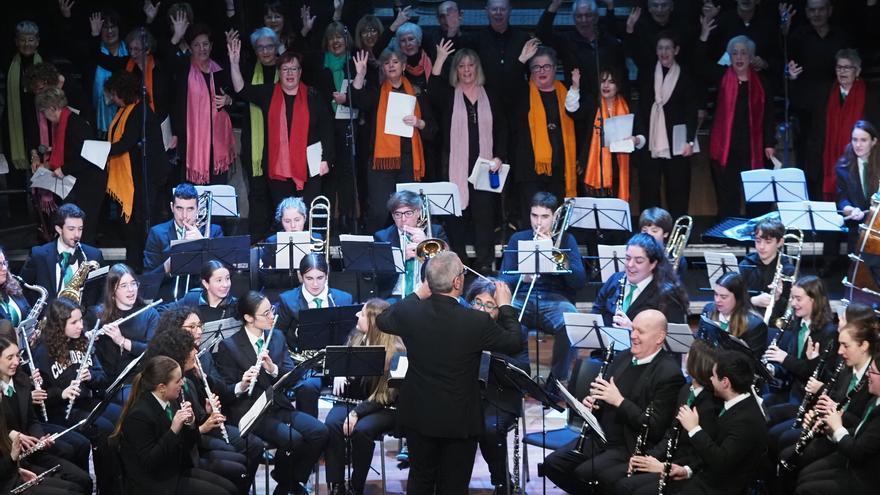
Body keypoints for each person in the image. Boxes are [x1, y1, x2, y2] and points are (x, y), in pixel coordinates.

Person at [375, 250, 522, 493]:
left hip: (418, 413)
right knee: (453, 484)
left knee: (420, 478)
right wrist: (505, 306)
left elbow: (383, 319)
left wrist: (419, 293)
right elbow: (514, 343)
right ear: (457, 282)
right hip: (459, 418)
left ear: (429, 283)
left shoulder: (411, 312)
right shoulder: (476, 321)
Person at [542, 309, 685, 492]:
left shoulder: (669, 374)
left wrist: (618, 401)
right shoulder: (624, 357)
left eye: (640, 332)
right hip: (601, 436)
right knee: (553, 464)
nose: (633, 335)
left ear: (659, 337)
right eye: (633, 329)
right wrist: (593, 404)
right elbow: (604, 397)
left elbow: (654, 428)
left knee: (585, 473)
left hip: (628, 445)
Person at [213, 291, 328, 495]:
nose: (271, 316)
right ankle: (288, 484)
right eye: (265, 313)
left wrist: (273, 369)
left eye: (271, 310)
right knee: (293, 439)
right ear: (248, 318)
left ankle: (287, 481)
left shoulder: (276, 336)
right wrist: (242, 384)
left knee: (319, 432)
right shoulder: (229, 346)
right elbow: (226, 392)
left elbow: (292, 377)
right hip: (252, 412)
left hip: (278, 405)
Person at [228, 34, 334, 209]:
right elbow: (241, 89)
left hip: (310, 165)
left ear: (300, 72)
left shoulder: (312, 95)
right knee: (284, 214)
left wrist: (326, 159)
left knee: (306, 214)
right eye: (285, 69)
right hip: (279, 168)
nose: (290, 73)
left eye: (294, 69)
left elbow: (327, 129)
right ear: (279, 72)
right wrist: (233, 64)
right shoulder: (269, 93)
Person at [142, 324, 250, 494]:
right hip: (173, 467)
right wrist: (202, 427)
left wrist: (206, 413)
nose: (195, 353)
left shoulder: (187, 382)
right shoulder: (165, 394)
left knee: (239, 466)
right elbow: (167, 445)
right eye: (191, 351)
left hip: (187, 450)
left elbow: (193, 420)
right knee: (230, 477)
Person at [428, 43, 506, 273]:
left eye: (471, 65)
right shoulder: (448, 94)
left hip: (486, 165)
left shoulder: (490, 93)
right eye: (461, 66)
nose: (466, 70)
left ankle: (484, 264)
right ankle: (458, 263)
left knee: (484, 215)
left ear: (477, 68)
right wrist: (440, 58)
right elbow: (431, 90)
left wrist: (499, 156)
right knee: (457, 216)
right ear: (456, 70)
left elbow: (502, 127)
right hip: (455, 165)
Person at [776, 312, 877, 486]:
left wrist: (836, 414)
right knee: (781, 443)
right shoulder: (846, 369)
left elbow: (864, 423)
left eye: (845, 345)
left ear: (863, 346)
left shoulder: (874, 379)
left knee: (794, 463)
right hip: (829, 432)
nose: (839, 351)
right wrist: (815, 416)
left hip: (845, 440)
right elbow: (831, 401)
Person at [112, 355, 236, 495]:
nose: (182, 383)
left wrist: (190, 424)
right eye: (177, 381)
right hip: (155, 483)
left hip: (173, 470)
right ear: (162, 387)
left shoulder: (170, 400)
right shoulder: (139, 416)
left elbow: (186, 445)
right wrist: (173, 430)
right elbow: (150, 462)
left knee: (230, 488)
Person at [498, 192, 587, 387]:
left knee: (571, 323)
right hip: (523, 296)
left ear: (554, 217)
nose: (538, 222)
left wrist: (557, 262)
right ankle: (519, 379)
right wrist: (523, 275)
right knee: (508, 322)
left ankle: (555, 384)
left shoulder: (566, 240)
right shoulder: (518, 238)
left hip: (554, 300)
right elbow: (503, 279)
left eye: (545, 217)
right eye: (534, 216)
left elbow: (579, 281)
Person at [613, 339, 722, 495]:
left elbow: (701, 453)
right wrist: (648, 457)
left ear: (697, 364)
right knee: (621, 481)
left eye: (688, 354)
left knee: (626, 487)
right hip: (670, 459)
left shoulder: (710, 404)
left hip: (684, 469)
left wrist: (665, 466)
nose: (685, 356)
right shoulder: (686, 389)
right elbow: (670, 434)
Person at [351, 47, 437, 233]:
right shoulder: (376, 91)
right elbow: (358, 100)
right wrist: (360, 75)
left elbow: (432, 128)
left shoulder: (416, 92)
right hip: (381, 164)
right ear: (382, 67)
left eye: (395, 62)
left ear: (404, 66)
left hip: (408, 162)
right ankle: (376, 252)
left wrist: (418, 122)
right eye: (387, 62)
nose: (391, 66)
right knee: (379, 212)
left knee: (408, 213)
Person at [325, 298, 404, 495]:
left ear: (374, 321)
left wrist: (356, 414)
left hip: (384, 407)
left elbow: (386, 395)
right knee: (332, 424)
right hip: (352, 401)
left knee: (362, 430)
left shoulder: (397, 351)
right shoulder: (356, 337)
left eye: (361, 313)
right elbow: (339, 364)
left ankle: (355, 485)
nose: (356, 315)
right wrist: (339, 372)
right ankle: (336, 485)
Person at [0, 336, 92, 494]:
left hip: (32, 451)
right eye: (10, 357)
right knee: (72, 488)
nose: (16, 362)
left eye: (17, 356)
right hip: (11, 460)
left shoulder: (21, 381)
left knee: (84, 479)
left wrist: (40, 437)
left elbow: (31, 419)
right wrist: (13, 435)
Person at [700, 33, 775, 219]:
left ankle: (757, 236)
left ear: (751, 57)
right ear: (729, 56)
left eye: (743, 53)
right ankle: (728, 236)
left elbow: (769, 116)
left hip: (754, 149)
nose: (739, 57)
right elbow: (698, 63)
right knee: (727, 197)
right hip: (726, 148)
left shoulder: (762, 82)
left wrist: (770, 143)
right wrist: (704, 35)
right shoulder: (721, 78)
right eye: (735, 53)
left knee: (757, 198)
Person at [466, 277, 530, 493]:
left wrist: (490, 354)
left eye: (490, 305)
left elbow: (523, 371)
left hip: (501, 395)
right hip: (468, 393)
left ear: (500, 309)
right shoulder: (462, 325)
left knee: (489, 429)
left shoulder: (513, 332)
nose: (481, 310)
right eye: (477, 302)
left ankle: (502, 482)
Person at [537, 0, 627, 153]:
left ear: (596, 17)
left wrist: (611, 7)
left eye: (588, 15)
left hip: (609, 107)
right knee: (583, 157)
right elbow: (542, 34)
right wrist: (555, 5)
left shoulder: (608, 42)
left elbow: (621, 72)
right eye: (579, 16)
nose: (584, 20)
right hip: (580, 110)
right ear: (573, 18)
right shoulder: (566, 41)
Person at [103, 70, 171, 271]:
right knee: (132, 223)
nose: (113, 99)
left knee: (143, 222)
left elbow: (125, 143)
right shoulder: (126, 110)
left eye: (114, 94)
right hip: (137, 176)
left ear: (122, 92)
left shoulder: (139, 111)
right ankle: (134, 263)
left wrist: (99, 151)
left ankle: (145, 265)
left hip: (148, 176)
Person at [675, 350, 769, 495]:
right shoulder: (735, 403)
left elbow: (721, 461)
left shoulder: (747, 420)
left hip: (717, 488)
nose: (711, 379)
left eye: (713, 375)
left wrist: (694, 429)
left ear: (725, 382)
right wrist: (688, 470)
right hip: (703, 477)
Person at [276, 253, 354, 417]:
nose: (315, 284)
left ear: (327, 275)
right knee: (307, 388)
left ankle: (341, 432)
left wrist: (340, 368)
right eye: (309, 278)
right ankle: (311, 436)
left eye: (320, 277)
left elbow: (351, 337)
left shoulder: (343, 298)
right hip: (305, 365)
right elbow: (278, 336)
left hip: (335, 361)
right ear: (300, 276)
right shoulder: (287, 300)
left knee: (353, 384)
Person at [792, 350, 880, 495]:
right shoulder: (875, 399)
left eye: (873, 372)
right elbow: (860, 431)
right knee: (804, 476)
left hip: (866, 478)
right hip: (852, 457)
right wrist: (829, 429)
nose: (868, 375)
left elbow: (858, 451)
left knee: (805, 488)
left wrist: (837, 427)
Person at [634, 32, 700, 218]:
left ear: (676, 50)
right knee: (649, 188)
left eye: (668, 48)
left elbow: (690, 110)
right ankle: (649, 230)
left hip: (677, 141)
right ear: (656, 51)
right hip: (651, 139)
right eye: (660, 48)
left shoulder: (685, 75)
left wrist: (690, 141)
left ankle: (678, 232)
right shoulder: (647, 73)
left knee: (678, 188)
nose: (664, 52)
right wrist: (640, 136)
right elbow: (641, 107)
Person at [511, 44, 580, 218]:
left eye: (546, 66)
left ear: (555, 68)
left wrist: (576, 88)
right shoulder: (522, 92)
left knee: (556, 221)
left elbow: (578, 119)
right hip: (530, 172)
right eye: (536, 67)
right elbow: (506, 83)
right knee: (532, 221)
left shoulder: (567, 92)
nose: (542, 71)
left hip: (560, 171)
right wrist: (521, 60)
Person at [33, 88, 107, 243]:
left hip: (90, 184)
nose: (45, 116)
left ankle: (87, 265)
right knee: (74, 226)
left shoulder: (76, 124)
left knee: (83, 228)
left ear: (53, 108)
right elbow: (68, 152)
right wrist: (48, 165)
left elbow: (89, 157)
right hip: (78, 182)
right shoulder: (65, 122)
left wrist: (64, 169)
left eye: (44, 111)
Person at [169, 23, 236, 185]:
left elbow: (236, 93)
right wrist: (175, 38)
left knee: (218, 188)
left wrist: (229, 100)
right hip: (192, 142)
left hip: (218, 142)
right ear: (190, 48)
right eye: (197, 45)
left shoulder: (220, 69)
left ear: (211, 46)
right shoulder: (183, 68)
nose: (202, 49)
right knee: (193, 193)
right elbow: (167, 62)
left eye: (205, 44)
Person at [763, 276, 838, 415]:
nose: (793, 303)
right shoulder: (798, 323)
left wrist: (785, 359)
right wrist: (772, 370)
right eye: (792, 298)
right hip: (792, 391)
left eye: (798, 299)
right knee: (759, 404)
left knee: (768, 416)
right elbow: (791, 367)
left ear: (814, 300)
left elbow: (815, 374)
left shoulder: (829, 333)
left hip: (808, 400)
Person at [236, 27, 280, 241]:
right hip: (256, 143)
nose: (265, 51)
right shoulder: (248, 70)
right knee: (257, 193)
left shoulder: (287, 69)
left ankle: (278, 240)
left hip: (281, 144)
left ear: (276, 47)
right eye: (260, 47)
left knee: (279, 194)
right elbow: (239, 90)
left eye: (269, 46)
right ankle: (257, 241)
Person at [567, 65, 637, 200]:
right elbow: (572, 111)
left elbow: (640, 134)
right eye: (603, 81)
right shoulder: (592, 104)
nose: (606, 85)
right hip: (592, 168)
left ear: (618, 86)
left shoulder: (628, 106)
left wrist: (636, 140)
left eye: (611, 82)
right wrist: (575, 87)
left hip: (618, 168)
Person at [143, 183, 224, 299]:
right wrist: (169, 264)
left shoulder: (214, 232)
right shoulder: (157, 233)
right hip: (169, 303)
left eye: (190, 209)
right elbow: (147, 284)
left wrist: (202, 244)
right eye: (179, 208)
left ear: (198, 209)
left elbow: (223, 274)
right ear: (172, 207)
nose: (184, 216)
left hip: (204, 300)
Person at [592, 233, 688, 328]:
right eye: (627, 258)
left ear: (653, 264)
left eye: (639, 261)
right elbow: (596, 314)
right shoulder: (615, 279)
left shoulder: (668, 295)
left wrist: (633, 330)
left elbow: (671, 337)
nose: (630, 265)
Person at [86, 263, 159, 387]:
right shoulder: (96, 314)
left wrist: (122, 341)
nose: (131, 290)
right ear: (113, 291)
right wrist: (89, 340)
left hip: (138, 381)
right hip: (105, 383)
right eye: (124, 286)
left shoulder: (150, 314)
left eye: (133, 284)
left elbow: (154, 352)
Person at [20, 203, 105, 305]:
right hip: (48, 319)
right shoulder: (38, 255)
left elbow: (103, 292)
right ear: (59, 229)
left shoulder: (94, 255)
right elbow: (21, 289)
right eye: (71, 229)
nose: (77, 234)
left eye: (80, 229)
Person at [373, 190, 448, 300]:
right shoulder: (382, 237)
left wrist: (427, 242)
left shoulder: (435, 232)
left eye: (408, 213)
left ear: (418, 212)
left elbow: (448, 267)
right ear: (392, 216)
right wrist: (401, 258)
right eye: (397, 214)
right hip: (396, 295)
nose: (403, 219)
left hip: (428, 294)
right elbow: (379, 279)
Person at [698, 271, 769, 358]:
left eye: (723, 297)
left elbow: (751, 363)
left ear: (738, 298)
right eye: (716, 294)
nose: (717, 300)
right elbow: (700, 342)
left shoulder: (755, 326)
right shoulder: (708, 309)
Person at [738, 217, 795, 323]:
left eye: (768, 242)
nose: (761, 247)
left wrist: (778, 298)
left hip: (774, 325)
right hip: (745, 322)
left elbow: (794, 307)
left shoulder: (788, 271)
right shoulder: (745, 265)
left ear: (780, 242)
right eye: (758, 241)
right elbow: (733, 299)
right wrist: (753, 301)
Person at [836, 120, 880, 251]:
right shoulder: (843, 167)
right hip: (858, 232)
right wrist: (850, 209)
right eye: (854, 140)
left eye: (863, 140)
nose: (858, 145)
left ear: (874, 141)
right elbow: (842, 198)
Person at [164, 260, 238, 323]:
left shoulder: (236, 306)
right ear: (206, 283)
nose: (225, 285)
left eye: (227, 278)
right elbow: (164, 311)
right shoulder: (193, 298)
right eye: (219, 280)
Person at [0, 247, 30, 327]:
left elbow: (28, 311)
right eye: (0, 264)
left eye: (4, 263)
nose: (4, 268)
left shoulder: (12, 287)